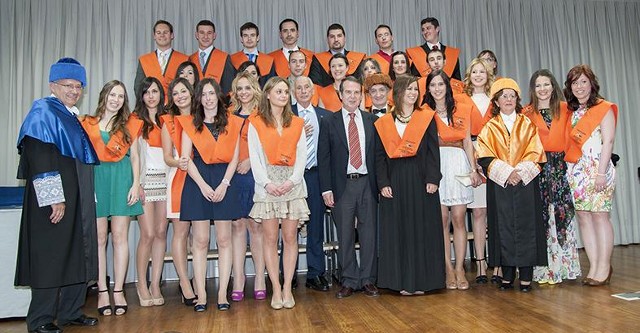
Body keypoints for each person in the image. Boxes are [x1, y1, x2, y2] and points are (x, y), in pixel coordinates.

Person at [16, 57, 99, 333]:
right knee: (50, 253)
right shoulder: (43, 112)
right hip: (53, 198)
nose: (74, 91)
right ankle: (40, 319)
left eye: (78, 86)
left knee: (77, 250)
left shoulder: (70, 114)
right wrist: (54, 197)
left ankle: (70, 311)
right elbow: (40, 157)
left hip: (75, 194)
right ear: (53, 85)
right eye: (68, 85)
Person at [176, 78, 243, 311]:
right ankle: (202, 294)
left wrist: (225, 183)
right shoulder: (190, 124)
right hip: (198, 182)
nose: (208, 98)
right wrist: (203, 185)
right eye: (203, 94)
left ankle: (223, 294)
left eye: (211, 93)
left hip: (225, 180)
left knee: (225, 239)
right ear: (199, 98)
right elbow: (186, 159)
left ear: (218, 96)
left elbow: (235, 157)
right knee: (201, 240)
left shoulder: (232, 123)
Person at [374, 74, 445, 295]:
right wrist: (383, 182)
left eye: (416, 89)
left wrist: (433, 179)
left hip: (421, 179)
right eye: (409, 89)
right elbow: (379, 156)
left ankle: (422, 281)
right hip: (394, 181)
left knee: (421, 230)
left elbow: (434, 152)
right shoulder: (385, 121)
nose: (413, 93)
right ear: (398, 93)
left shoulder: (426, 117)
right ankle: (401, 281)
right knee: (399, 232)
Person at [476, 78, 547, 292]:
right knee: (502, 226)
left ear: (517, 99)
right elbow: (484, 154)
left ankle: (526, 276)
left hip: (525, 182)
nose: (508, 99)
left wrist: (519, 173)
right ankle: (506, 275)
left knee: (527, 227)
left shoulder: (527, 124)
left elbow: (536, 153)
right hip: (501, 183)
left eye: (512, 95)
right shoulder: (489, 127)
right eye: (503, 96)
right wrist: (507, 173)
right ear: (496, 101)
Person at [80, 80, 144, 315]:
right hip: (97, 180)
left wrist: (136, 184)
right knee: (99, 239)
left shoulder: (129, 126)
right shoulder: (88, 124)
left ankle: (118, 290)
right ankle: (102, 290)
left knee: (120, 237)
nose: (116, 99)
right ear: (104, 96)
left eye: (120, 96)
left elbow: (135, 157)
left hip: (122, 180)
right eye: (112, 95)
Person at [248, 77, 310, 309]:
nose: (283, 95)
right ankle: (275, 288)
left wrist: (293, 181)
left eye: (286, 92)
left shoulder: (296, 123)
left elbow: (302, 155)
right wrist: (266, 184)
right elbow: (254, 157)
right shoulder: (256, 123)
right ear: (267, 94)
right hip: (268, 187)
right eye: (279, 91)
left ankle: (287, 288)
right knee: (270, 238)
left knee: (290, 237)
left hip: (292, 186)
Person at [318, 76, 379, 299]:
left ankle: (368, 279)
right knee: (344, 235)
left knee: (369, 234)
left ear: (362, 96)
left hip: (367, 184)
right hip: (342, 185)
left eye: (357, 92)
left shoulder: (372, 120)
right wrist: (326, 189)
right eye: (348, 92)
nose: (353, 96)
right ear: (340, 95)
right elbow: (323, 158)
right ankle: (349, 279)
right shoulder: (329, 122)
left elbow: (377, 157)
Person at [424, 70, 482, 290]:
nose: (437, 89)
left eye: (441, 84)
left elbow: (467, 142)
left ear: (447, 86)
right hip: (437, 165)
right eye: (433, 85)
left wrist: (474, 169)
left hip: (458, 163)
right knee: (441, 219)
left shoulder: (460, 109)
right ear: (428, 89)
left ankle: (460, 268)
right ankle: (447, 268)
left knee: (459, 217)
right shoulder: (425, 112)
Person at [524, 70, 580, 284]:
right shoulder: (526, 113)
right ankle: (542, 270)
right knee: (540, 218)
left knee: (562, 214)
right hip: (537, 169)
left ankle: (564, 268)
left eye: (546, 84)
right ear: (533, 89)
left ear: (553, 86)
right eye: (538, 85)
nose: (542, 89)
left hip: (560, 168)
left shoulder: (566, 110)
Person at [563, 65, 617, 286]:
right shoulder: (571, 112)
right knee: (584, 217)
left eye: (583, 81)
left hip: (598, 169)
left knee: (600, 216)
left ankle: (604, 266)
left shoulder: (604, 108)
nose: (579, 87)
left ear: (591, 83)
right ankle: (594, 266)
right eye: (575, 83)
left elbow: (609, 142)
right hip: (576, 171)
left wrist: (601, 172)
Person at [228, 72, 267, 302]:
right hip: (234, 177)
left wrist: (251, 161)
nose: (244, 92)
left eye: (247, 87)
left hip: (256, 176)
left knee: (256, 227)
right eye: (239, 88)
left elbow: (269, 144)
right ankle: (239, 278)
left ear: (254, 89)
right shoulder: (229, 116)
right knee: (237, 226)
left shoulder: (262, 115)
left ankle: (260, 278)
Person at [292, 76, 332, 291]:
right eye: (299, 87)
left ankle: (315, 273)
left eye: (307, 87)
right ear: (293, 91)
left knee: (315, 226)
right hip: (292, 178)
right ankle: (285, 275)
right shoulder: (285, 114)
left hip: (316, 176)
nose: (304, 90)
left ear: (313, 90)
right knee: (289, 228)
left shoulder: (325, 116)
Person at [133, 77, 169, 307]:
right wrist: (137, 184)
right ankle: (141, 284)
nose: (151, 96)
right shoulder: (136, 120)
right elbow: (135, 156)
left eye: (155, 91)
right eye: (147, 92)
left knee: (161, 233)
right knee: (146, 234)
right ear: (142, 96)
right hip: (146, 182)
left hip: (166, 181)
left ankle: (155, 283)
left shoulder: (167, 119)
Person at [160, 77, 196, 305]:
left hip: (202, 178)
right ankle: (185, 283)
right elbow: (167, 156)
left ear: (191, 92)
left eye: (184, 91)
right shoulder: (168, 122)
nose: (180, 96)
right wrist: (178, 163)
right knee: (181, 233)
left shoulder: (203, 115)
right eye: (175, 93)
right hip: (180, 179)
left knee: (200, 236)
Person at [460, 58, 497, 283]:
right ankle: (481, 262)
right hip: (471, 153)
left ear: (488, 74)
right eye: (474, 71)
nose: (478, 75)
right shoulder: (463, 101)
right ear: (469, 75)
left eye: (482, 71)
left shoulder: (495, 99)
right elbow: (463, 134)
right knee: (478, 212)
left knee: (495, 212)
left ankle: (499, 262)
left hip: (495, 154)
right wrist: (472, 162)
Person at [134, 20, 189, 98]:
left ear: (172, 35)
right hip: (151, 105)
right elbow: (138, 88)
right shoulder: (144, 60)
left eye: (165, 32)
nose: (162, 35)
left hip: (176, 105)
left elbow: (188, 86)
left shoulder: (184, 59)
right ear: (154, 36)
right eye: (158, 33)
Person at [189, 20, 236, 95]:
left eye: (209, 33)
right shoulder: (190, 59)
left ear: (214, 35)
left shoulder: (224, 57)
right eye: (202, 33)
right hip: (195, 104)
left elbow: (229, 87)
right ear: (196, 35)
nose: (205, 36)